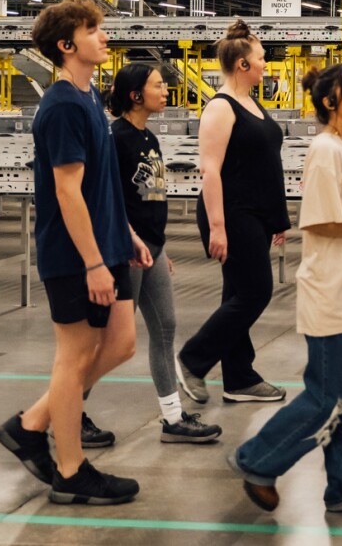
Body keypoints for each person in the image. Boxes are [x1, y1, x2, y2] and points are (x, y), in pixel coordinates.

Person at [0, 0, 152, 505]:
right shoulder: (61, 104)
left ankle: (32, 423)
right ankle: (70, 469)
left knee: (121, 343)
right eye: (94, 30)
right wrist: (92, 263)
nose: (104, 37)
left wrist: (124, 231)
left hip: (106, 243)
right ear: (67, 45)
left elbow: (99, 182)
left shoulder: (88, 98)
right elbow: (66, 192)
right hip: (75, 255)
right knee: (75, 355)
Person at [228, 63, 342, 515]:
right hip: (332, 292)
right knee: (330, 394)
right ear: (330, 103)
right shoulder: (325, 150)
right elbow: (320, 221)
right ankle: (257, 460)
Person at [177, 20, 291, 405]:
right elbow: (210, 171)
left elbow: (262, 165)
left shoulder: (252, 103)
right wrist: (218, 228)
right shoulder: (220, 108)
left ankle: (239, 378)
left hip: (254, 214)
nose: (265, 65)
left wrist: (276, 219)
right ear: (242, 64)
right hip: (230, 213)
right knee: (256, 292)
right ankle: (193, 360)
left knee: (236, 295)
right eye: (261, 59)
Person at [107, 63, 223, 444]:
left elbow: (149, 201)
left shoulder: (149, 139)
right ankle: (68, 411)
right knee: (110, 344)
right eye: (158, 85)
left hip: (152, 250)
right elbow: (110, 201)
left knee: (166, 328)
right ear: (135, 95)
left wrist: (161, 247)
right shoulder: (116, 138)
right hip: (129, 250)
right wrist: (131, 241)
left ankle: (173, 418)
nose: (166, 90)